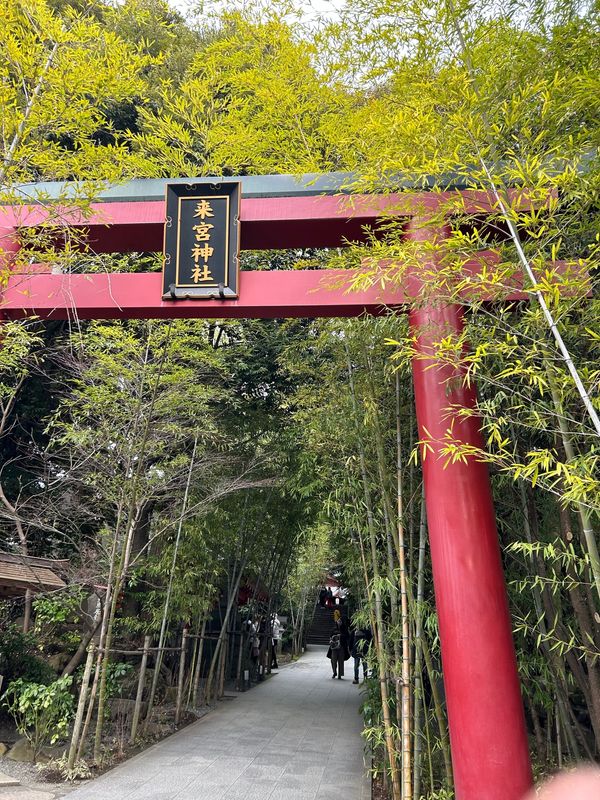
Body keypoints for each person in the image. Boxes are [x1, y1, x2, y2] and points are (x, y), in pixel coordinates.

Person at [326, 610, 350, 679]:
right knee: (333, 660)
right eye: (338, 621)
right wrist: (331, 640)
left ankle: (340, 674)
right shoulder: (334, 629)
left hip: (341, 647)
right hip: (334, 648)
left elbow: (347, 636)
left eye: (340, 621)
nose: (339, 622)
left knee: (341, 661)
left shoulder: (344, 629)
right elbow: (330, 637)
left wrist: (341, 636)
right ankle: (334, 672)